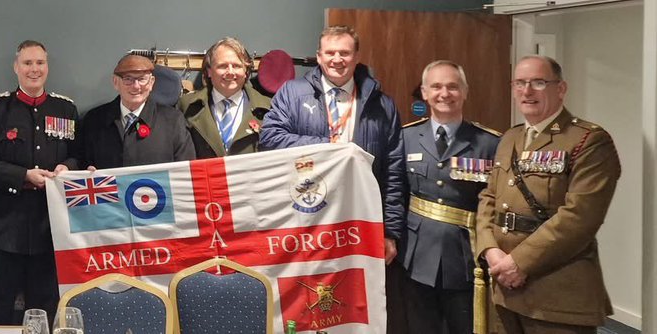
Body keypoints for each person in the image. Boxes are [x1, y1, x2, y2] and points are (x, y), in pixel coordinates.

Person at [474, 55, 620, 334]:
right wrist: (489, 250)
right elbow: (488, 198)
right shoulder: (510, 138)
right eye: (520, 83)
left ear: (561, 89)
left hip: (556, 291)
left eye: (538, 82)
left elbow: (580, 217)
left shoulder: (588, 140)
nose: (527, 91)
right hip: (504, 289)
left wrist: (519, 263)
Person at [259, 25, 405, 263]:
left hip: (360, 216)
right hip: (305, 219)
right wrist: (328, 146)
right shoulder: (292, 93)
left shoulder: (382, 106)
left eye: (345, 53)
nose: (337, 59)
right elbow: (270, 139)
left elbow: (394, 172)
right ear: (319, 56)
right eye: (330, 53)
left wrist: (390, 231)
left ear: (356, 57)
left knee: (357, 291)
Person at [0, 40, 77, 325]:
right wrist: (23, 176)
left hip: (51, 231)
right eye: (27, 63)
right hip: (4, 230)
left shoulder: (65, 109)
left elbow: (79, 155)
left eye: (40, 63)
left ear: (47, 67)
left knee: (45, 310)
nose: (34, 69)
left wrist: (68, 167)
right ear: (16, 68)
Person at [399, 60, 500, 333]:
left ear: (465, 92)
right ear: (424, 92)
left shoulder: (489, 143)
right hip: (415, 255)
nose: (445, 94)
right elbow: (395, 193)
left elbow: (496, 203)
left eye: (453, 87)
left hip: (465, 257)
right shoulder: (406, 137)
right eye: (437, 86)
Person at [72, 54, 194, 169]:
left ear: (151, 83)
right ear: (115, 82)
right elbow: (80, 162)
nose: (136, 86)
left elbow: (186, 172)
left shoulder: (173, 122)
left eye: (142, 79)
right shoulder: (94, 120)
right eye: (128, 79)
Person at [177, 37, 271, 158]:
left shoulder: (269, 109)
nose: (230, 72)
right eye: (223, 66)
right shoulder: (186, 106)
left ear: (246, 71)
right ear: (209, 71)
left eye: (237, 66)